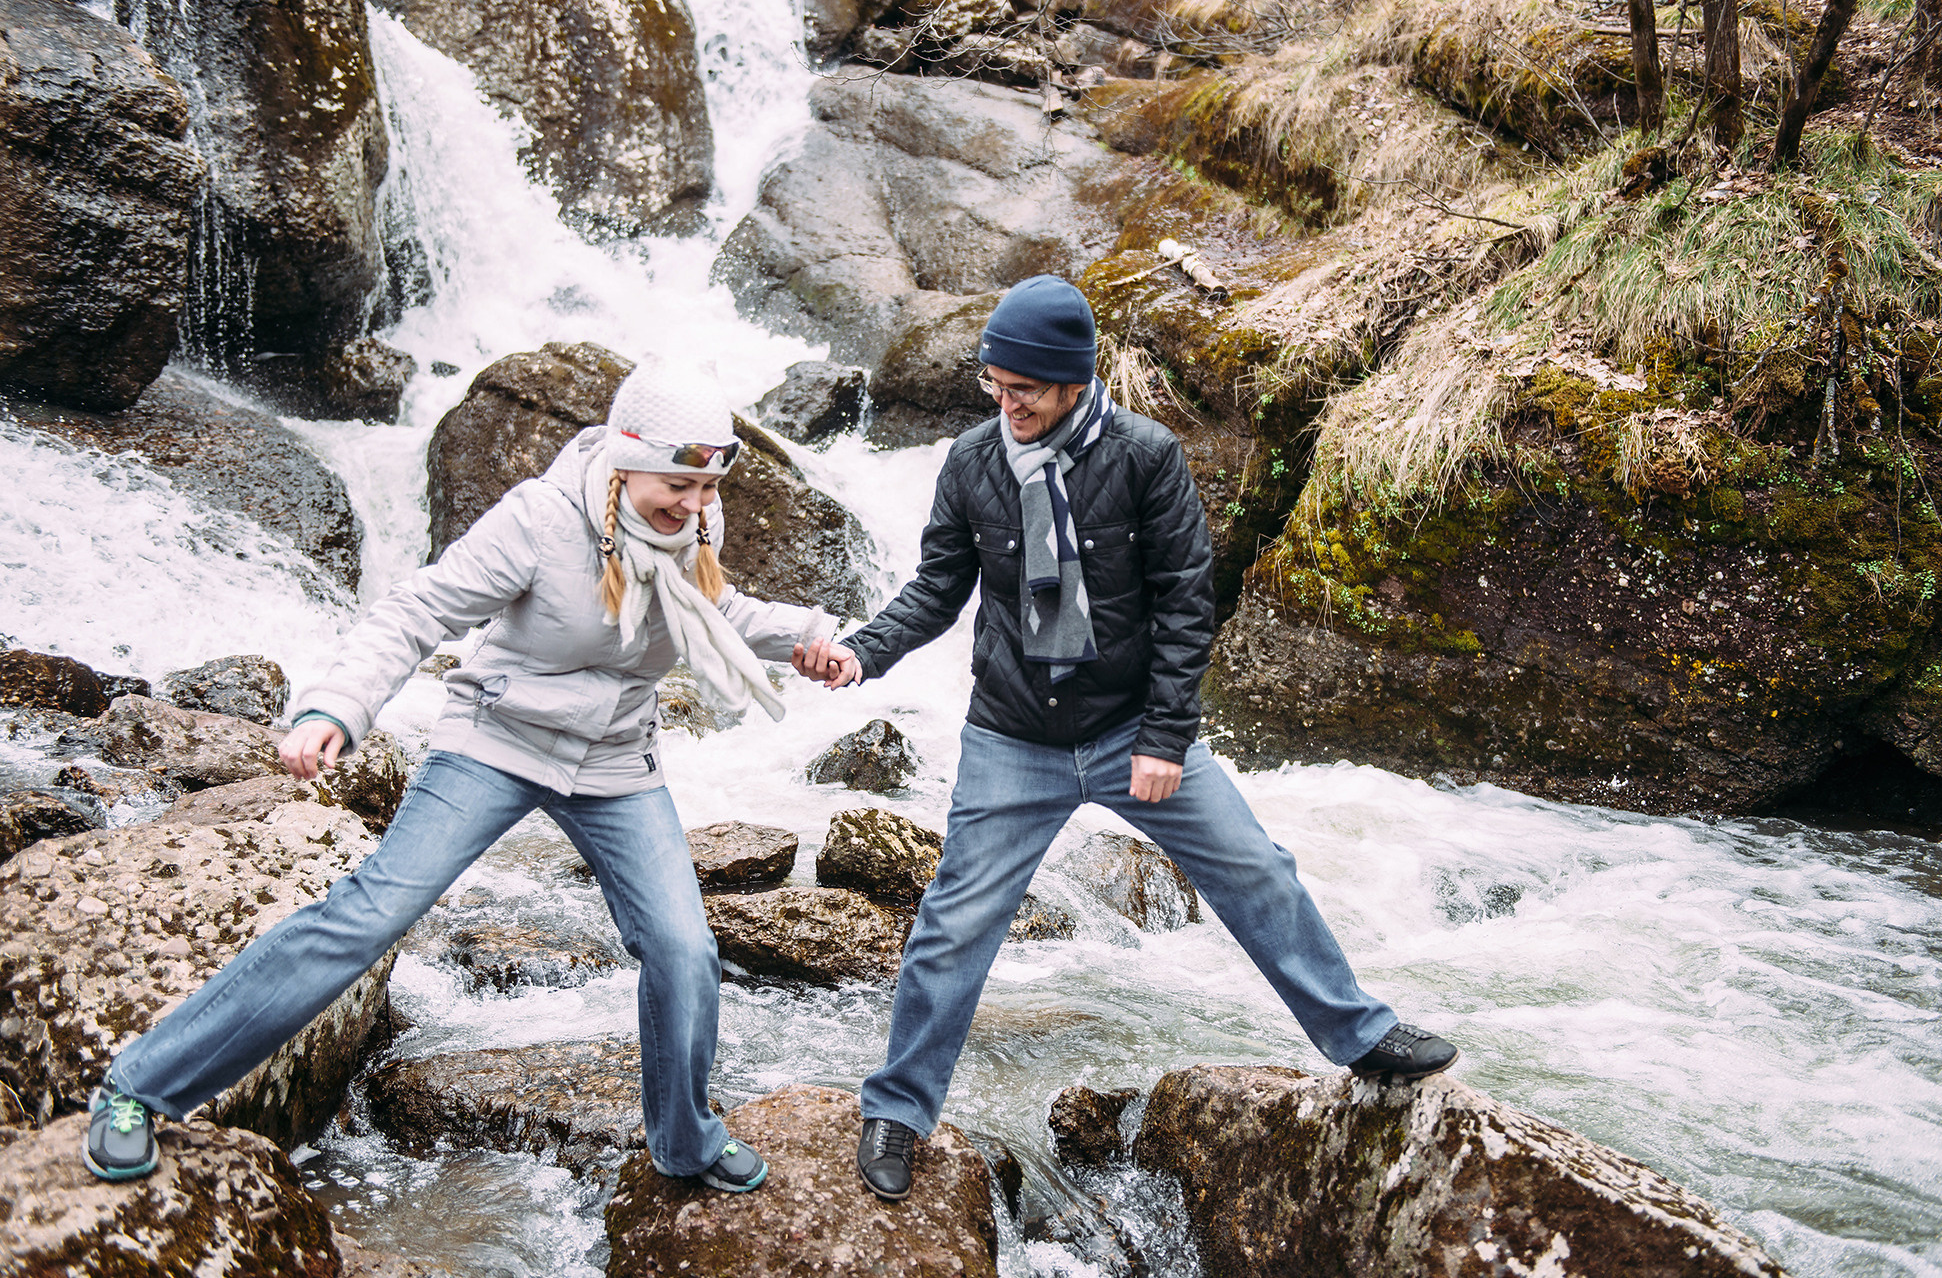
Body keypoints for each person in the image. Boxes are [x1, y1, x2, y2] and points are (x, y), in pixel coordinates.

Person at [84, 366, 857, 1191]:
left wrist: (806, 635)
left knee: (683, 947)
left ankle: (684, 1138)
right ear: (625, 460)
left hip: (613, 760)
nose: (697, 502)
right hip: (497, 739)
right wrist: (336, 707)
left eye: (709, 484)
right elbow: (416, 611)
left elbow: (711, 609)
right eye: (680, 482)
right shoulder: (538, 520)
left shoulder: (696, 520)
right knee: (369, 914)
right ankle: (138, 1088)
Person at [797, 275, 1459, 1201]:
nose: (1005, 401)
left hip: (1129, 729)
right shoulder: (972, 461)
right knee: (953, 924)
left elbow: (1188, 603)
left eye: (1022, 385)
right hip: (1011, 734)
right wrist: (862, 654)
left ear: (1074, 379)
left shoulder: (1147, 456)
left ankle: (1360, 1035)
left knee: (1255, 866)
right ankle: (899, 1110)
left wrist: (1163, 736)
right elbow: (937, 589)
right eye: (995, 381)